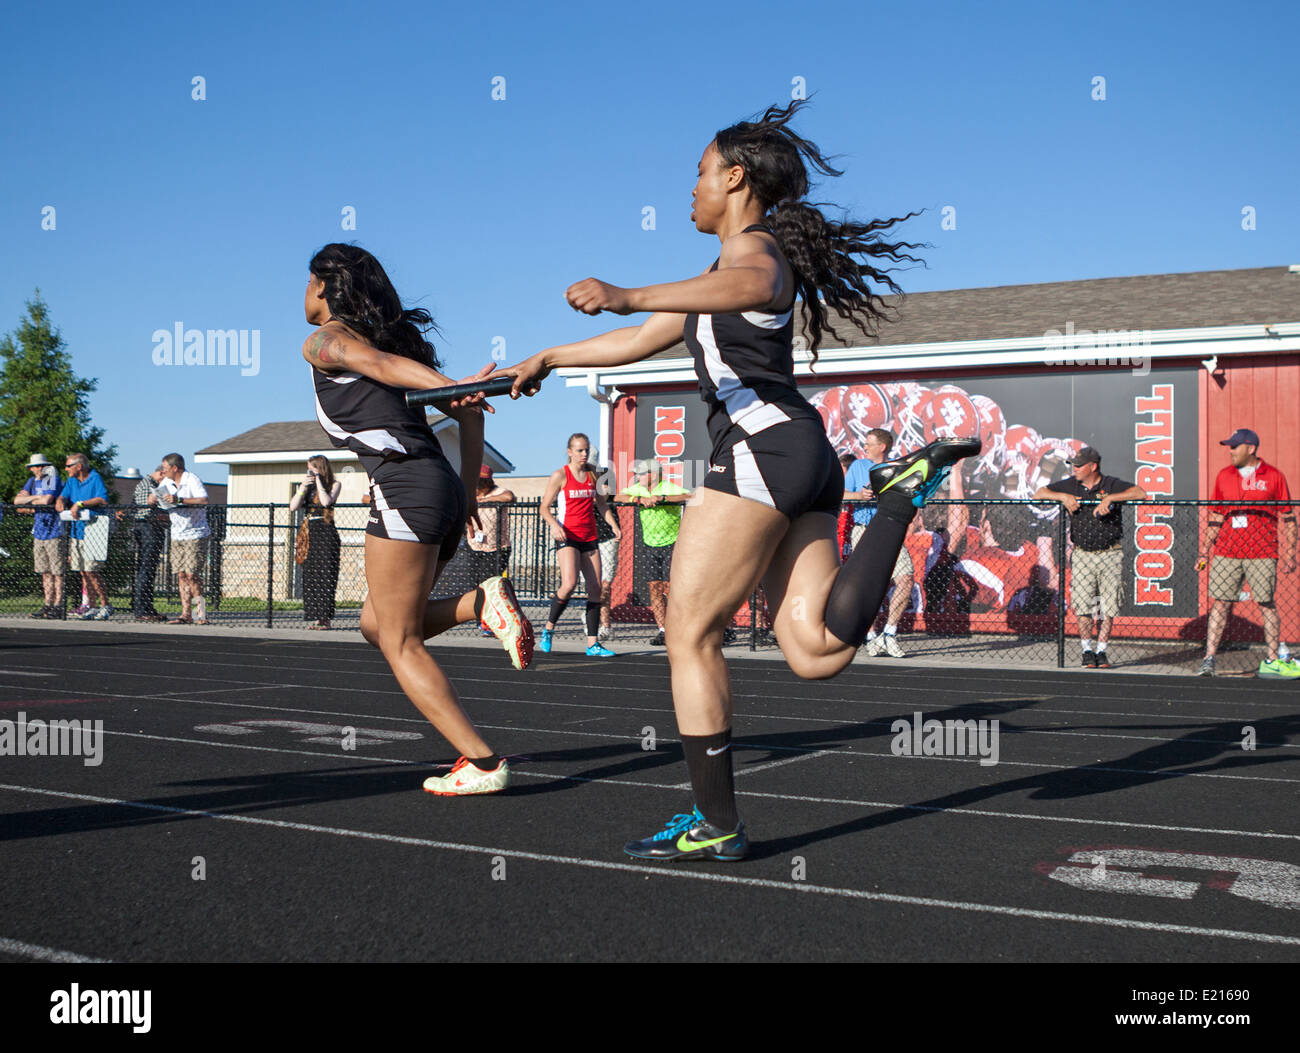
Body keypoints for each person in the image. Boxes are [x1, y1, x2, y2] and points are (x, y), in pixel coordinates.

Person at [497, 100, 978, 859]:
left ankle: (716, 820)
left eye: (696, 173)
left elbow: (749, 287)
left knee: (688, 629)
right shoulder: (713, 274)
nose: (687, 188)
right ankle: (892, 505)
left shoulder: (755, 255)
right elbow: (636, 338)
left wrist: (629, 289)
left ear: (734, 176)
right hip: (803, 454)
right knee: (815, 647)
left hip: (763, 449)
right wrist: (552, 355)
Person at [301, 242, 533, 795]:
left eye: (305, 281)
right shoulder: (398, 357)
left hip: (406, 486)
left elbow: (384, 368)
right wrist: (470, 489)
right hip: (441, 488)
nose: (301, 293)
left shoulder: (324, 341)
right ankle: (480, 602)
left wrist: (458, 390)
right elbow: (468, 416)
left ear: (322, 286)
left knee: (400, 641)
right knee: (375, 626)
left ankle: (480, 761)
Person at [1196, 428, 1298, 678]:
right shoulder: (1224, 476)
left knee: (1266, 603)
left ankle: (1272, 658)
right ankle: (1209, 659)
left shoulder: (1273, 476)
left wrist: (1291, 552)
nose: (1230, 451)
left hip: (1262, 552)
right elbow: (1216, 515)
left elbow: (1288, 516)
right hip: (1227, 551)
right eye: (1230, 447)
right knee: (1220, 604)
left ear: (1250, 448)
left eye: (1235, 447)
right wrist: (1204, 551)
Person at [1034, 446, 1146, 668]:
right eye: (1073, 465)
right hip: (1083, 554)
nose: (1074, 469)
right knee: (1083, 603)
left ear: (1093, 466)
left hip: (1110, 553)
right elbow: (1039, 494)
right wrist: (1063, 497)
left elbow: (1141, 493)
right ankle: (1087, 649)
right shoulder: (1071, 485)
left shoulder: (1110, 484)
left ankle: (1102, 651)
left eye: (1078, 465)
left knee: (1108, 605)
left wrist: (1111, 499)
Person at [537, 433, 621, 657]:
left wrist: (613, 524)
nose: (584, 454)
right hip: (568, 536)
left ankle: (592, 644)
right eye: (580, 450)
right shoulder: (560, 475)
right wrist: (555, 525)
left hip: (589, 537)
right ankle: (548, 629)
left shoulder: (594, 474)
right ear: (570, 452)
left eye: (586, 450)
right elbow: (544, 507)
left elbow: (602, 505)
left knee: (595, 590)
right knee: (570, 583)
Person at [843, 428, 918, 657]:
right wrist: (859, 496)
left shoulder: (897, 469)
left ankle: (890, 633)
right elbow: (841, 493)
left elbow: (912, 498)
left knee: (906, 579)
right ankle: (871, 637)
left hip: (890, 528)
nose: (864, 447)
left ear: (882, 446)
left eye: (869, 443)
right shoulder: (857, 467)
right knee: (868, 585)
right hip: (864, 530)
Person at [620, 458, 691, 646]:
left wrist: (663, 499)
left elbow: (689, 497)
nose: (638, 477)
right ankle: (663, 630)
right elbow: (617, 497)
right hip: (650, 545)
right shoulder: (638, 490)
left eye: (641, 474)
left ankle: (680, 629)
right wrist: (638, 499)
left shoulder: (668, 486)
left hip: (672, 544)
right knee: (655, 588)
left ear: (653, 474)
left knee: (671, 589)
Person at [151, 454, 210, 624]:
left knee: (192, 574)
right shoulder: (166, 483)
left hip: (195, 533)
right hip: (177, 534)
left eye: (165, 468)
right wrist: (154, 498)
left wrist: (180, 500)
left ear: (175, 468)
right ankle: (186, 614)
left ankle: (200, 613)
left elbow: (204, 500)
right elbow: (156, 499)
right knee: (181, 574)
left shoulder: (191, 479)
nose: (163, 471)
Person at [54, 453, 111, 620]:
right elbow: (64, 495)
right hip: (76, 531)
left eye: (69, 466)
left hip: (93, 529)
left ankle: (105, 604)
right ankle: (91, 606)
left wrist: (80, 504)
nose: (66, 469)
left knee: (92, 570)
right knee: (82, 571)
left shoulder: (95, 478)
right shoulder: (72, 481)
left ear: (79, 466)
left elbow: (102, 499)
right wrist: (61, 500)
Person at [290, 456, 342, 629]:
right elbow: (293, 506)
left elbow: (327, 502)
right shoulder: (307, 487)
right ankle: (315, 617)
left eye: (312, 469)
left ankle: (325, 618)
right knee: (310, 575)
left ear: (319, 468)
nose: (309, 472)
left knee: (326, 575)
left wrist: (319, 481)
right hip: (310, 531)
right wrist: (303, 486)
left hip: (326, 531)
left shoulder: (334, 484)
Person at [14, 453, 66, 619]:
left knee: (57, 571)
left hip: (54, 531)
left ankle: (59, 604)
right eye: (34, 466)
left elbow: (47, 500)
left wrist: (31, 500)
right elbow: (17, 500)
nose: (35, 469)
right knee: (45, 571)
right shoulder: (32, 482)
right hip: (39, 531)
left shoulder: (52, 479)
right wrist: (36, 497)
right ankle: (47, 603)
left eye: (38, 466)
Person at [466, 464, 515, 635]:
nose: (479, 488)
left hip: (497, 548)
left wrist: (484, 501)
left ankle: (491, 620)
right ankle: (481, 620)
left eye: (482, 484)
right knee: (476, 586)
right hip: (475, 546)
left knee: (490, 585)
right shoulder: (471, 493)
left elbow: (509, 497)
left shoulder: (497, 492)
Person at [116, 468, 168, 621]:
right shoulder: (149, 485)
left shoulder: (145, 484)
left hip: (147, 528)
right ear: (161, 473)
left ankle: (147, 608)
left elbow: (136, 507)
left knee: (147, 569)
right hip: (148, 529)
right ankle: (142, 609)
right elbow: (145, 509)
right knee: (145, 568)